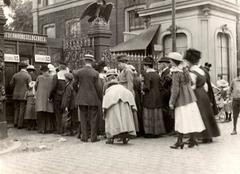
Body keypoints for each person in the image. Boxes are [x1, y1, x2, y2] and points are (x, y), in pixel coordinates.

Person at [167, 52, 205, 149]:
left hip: (181, 99)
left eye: (170, 61)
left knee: (181, 119)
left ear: (174, 61)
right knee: (190, 118)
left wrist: (171, 102)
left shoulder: (176, 72)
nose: (169, 62)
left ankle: (179, 141)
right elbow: (191, 83)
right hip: (190, 98)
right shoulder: (185, 70)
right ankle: (192, 139)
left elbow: (175, 89)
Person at [184, 48, 220, 143]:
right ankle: (208, 136)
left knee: (196, 115)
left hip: (196, 95)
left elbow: (192, 86)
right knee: (205, 115)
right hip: (203, 95)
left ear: (189, 61)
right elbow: (206, 86)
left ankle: (195, 137)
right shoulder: (202, 71)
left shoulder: (191, 72)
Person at [102, 69, 137, 144]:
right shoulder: (121, 86)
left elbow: (104, 97)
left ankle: (111, 137)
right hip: (124, 97)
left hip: (112, 100)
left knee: (113, 118)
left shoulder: (107, 86)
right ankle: (125, 136)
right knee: (124, 118)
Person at [73, 54, 102, 142]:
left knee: (83, 118)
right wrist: (100, 97)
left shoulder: (78, 72)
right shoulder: (95, 73)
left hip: (82, 98)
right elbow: (99, 87)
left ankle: (84, 137)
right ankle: (93, 137)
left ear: (84, 61)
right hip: (93, 98)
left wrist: (79, 91)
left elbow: (74, 84)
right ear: (92, 61)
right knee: (93, 118)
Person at [142, 56, 166, 138]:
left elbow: (147, 87)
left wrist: (142, 88)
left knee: (149, 113)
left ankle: (150, 132)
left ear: (147, 66)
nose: (143, 67)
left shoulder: (147, 74)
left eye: (144, 65)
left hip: (149, 96)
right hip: (157, 95)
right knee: (156, 113)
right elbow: (160, 86)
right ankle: (157, 131)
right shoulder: (157, 74)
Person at [10, 62, 32, 129]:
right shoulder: (28, 75)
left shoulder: (15, 75)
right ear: (25, 67)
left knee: (16, 109)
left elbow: (11, 84)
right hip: (23, 95)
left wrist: (16, 88)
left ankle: (15, 123)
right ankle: (20, 124)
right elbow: (30, 86)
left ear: (20, 67)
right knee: (22, 109)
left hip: (15, 94)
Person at [50, 61, 69, 134]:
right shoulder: (69, 75)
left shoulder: (56, 76)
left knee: (58, 114)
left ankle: (59, 129)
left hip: (58, 97)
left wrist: (50, 96)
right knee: (66, 113)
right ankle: (66, 129)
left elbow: (53, 87)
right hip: (67, 96)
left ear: (59, 67)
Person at [35, 65, 55, 134]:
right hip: (49, 98)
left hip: (41, 98)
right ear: (48, 70)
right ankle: (49, 129)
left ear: (42, 71)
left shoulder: (39, 77)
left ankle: (42, 129)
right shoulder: (52, 78)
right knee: (48, 114)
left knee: (41, 114)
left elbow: (35, 86)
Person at [158, 57, 174, 134]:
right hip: (165, 93)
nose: (159, 65)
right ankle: (168, 128)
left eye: (160, 64)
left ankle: (168, 128)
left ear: (164, 64)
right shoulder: (165, 72)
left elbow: (164, 83)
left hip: (165, 93)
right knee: (166, 110)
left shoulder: (167, 72)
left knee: (166, 111)